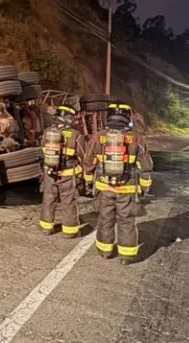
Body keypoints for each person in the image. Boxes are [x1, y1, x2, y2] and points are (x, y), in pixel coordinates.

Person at [83, 102, 153, 265]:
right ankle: (127, 256)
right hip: (127, 187)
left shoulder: (98, 136)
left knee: (105, 218)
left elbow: (88, 160)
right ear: (127, 117)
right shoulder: (136, 138)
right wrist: (145, 186)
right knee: (126, 220)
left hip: (103, 187)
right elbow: (146, 164)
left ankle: (105, 251)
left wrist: (87, 180)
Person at [40, 105, 86, 238]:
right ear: (68, 118)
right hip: (67, 174)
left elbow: (43, 147)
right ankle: (70, 232)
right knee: (68, 201)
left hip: (50, 172)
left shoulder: (48, 131)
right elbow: (82, 154)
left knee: (49, 198)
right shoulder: (75, 134)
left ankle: (46, 228)